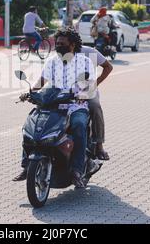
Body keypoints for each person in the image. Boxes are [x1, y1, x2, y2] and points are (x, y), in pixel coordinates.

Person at [13, 30, 96, 188]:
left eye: (62, 44)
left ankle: (77, 170)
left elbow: (90, 85)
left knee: (78, 125)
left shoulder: (85, 61)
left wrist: (82, 95)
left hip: (75, 105)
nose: (58, 46)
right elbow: (42, 80)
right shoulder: (52, 61)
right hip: (53, 103)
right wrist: (31, 93)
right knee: (30, 125)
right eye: (57, 43)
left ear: (72, 44)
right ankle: (26, 165)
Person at [80, 45, 113, 160]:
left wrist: (95, 84)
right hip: (66, 93)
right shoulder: (60, 56)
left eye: (63, 42)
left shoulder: (90, 52)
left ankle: (99, 146)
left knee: (95, 108)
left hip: (88, 93)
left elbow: (108, 67)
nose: (60, 45)